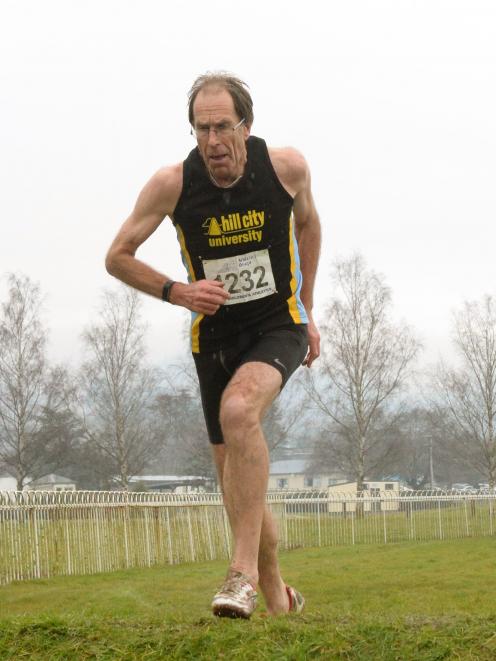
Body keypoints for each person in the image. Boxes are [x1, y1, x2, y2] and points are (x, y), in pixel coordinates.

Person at [105, 72, 321, 619]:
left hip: (279, 324)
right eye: (202, 128)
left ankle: (241, 574)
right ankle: (278, 600)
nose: (213, 140)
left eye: (223, 126)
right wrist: (178, 291)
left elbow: (309, 226)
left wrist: (309, 308)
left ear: (246, 126)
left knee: (239, 408)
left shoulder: (285, 168)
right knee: (237, 483)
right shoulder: (173, 183)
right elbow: (118, 254)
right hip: (215, 339)